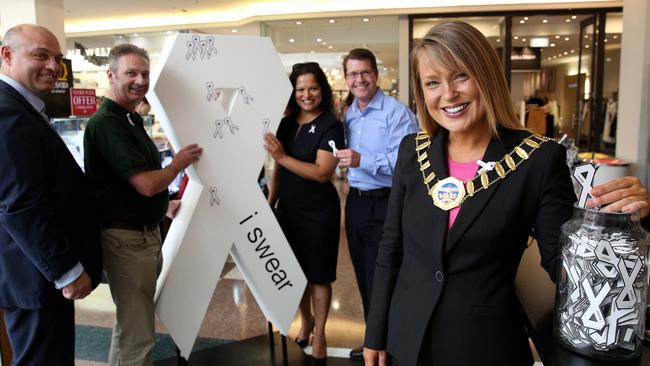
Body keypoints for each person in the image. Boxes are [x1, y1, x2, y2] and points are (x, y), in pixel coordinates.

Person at [362, 21, 650, 366]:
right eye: (432, 82)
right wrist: (375, 333)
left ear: (486, 76)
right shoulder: (413, 151)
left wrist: (618, 226)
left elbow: (563, 265)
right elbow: (391, 248)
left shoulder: (538, 159)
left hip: (484, 347)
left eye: (461, 75)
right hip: (407, 340)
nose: (448, 94)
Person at [83, 43, 202, 366]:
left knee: (130, 328)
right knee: (139, 337)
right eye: (131, 73)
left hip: (144, 237)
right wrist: (178, 164)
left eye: (145, 73)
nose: (139, 80)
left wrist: (165, 206)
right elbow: (147, 184)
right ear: (110, 75)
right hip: (127, 242)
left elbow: (130, 184)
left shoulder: (129, 118)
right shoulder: (108, 122)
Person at [0, 24, 102, 365]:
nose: (53, 66)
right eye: (40, 55)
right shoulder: (7, 112)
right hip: (36, 277)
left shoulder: (23, 107)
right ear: (7, 55)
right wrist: (67, 271)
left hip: (35, 276)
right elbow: (20, 205)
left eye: (57, 58)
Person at [333, 48, 418, 359]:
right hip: (355, 204)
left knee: (384, 278)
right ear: (346, 78)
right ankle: (374, 341)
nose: (360, 79)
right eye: (353, 74)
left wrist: (362, 160)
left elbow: (408, 165)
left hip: (387, 205)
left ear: (376, 74)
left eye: (365, 72)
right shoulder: (349, 113)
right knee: (364, 277)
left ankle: (391, 346)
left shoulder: (397, 113)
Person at [264, 62, 344, 361]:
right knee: (296, 275)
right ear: (292, 92)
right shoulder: (285, 124)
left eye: (312, 88)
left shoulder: (331, 126)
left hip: (319, 213)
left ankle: (321, 332)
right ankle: (306, 319)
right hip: (288, 211)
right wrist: (270, 204)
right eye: (300, 89)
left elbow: (322, 172)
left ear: (321, 89)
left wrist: (282, 157)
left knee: (319, 276)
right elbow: (277, 171)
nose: (306, 94)